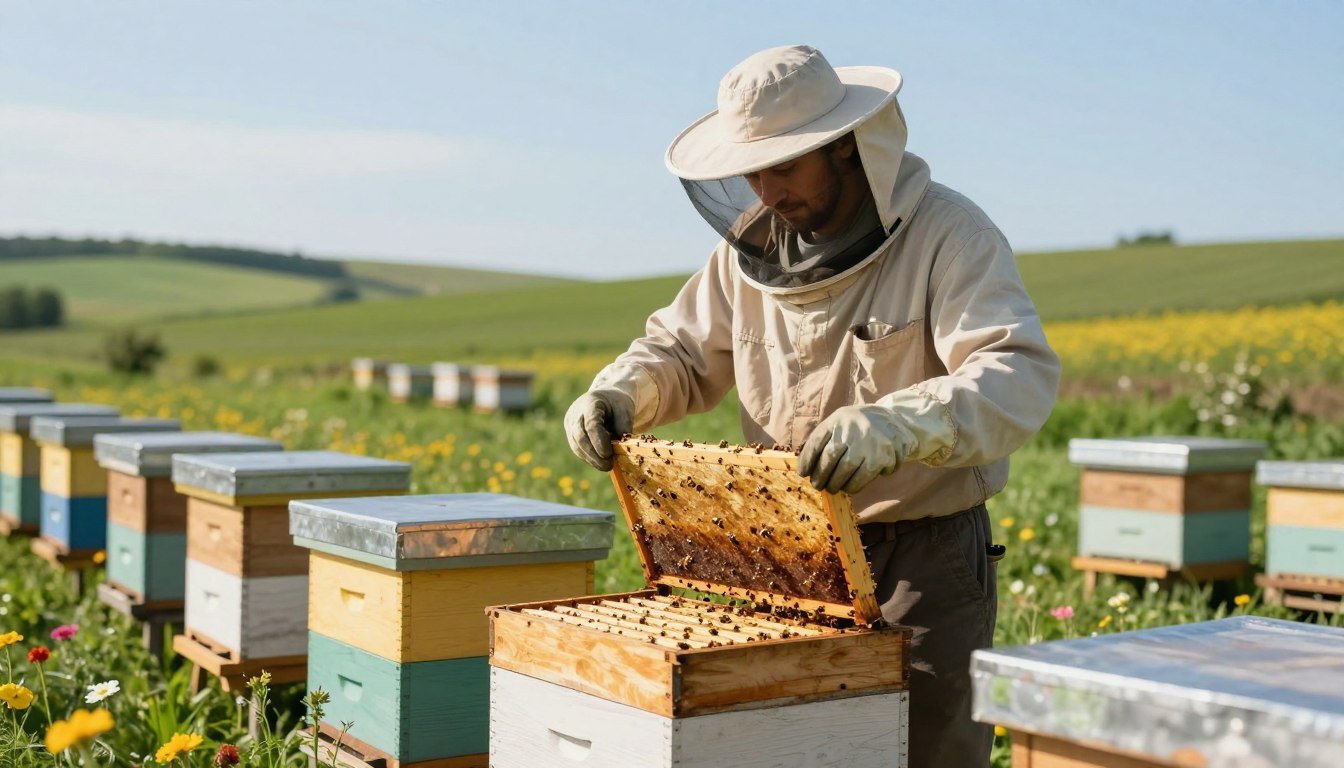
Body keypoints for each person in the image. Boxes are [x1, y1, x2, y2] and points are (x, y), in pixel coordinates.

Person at [565, 44, 1059, 767]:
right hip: (792, 555)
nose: (766, 191)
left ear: (846, 150)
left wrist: (898, 425)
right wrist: (620, 391)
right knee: (800, 749)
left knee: (927, 753)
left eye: (785, 166)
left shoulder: (951, 237)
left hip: (920, 555)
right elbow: (679, 352)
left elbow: (1016, 375)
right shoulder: (749, 257)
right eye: (753, 171)